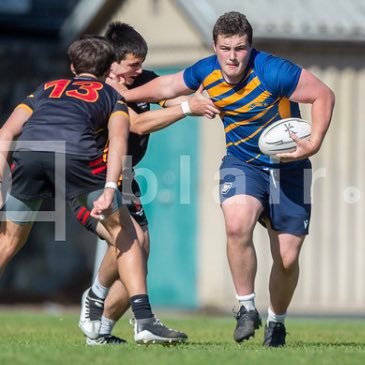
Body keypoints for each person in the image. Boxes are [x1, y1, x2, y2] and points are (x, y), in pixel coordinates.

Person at [120, 12, 335, 347]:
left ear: (250, 46)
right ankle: (246, 308)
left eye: (240, 48)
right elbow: (166, 85)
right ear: (215, 47)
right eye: (226, 48)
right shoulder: (206, 70)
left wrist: (316, 140)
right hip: (242, 163)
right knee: (237, 223)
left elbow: (323, 94)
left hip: (289, 167)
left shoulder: (273, 70)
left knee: (288, 257)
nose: (233, 56)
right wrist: (119, 94)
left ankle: (276, 324)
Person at [0, 35, 188, 345]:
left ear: (73, 66)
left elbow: (6, 131)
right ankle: (143, 320)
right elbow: (118, 141)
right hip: (77, 159)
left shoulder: (45, 89)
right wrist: (110, 188)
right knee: (129, 236)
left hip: (31, 154)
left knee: (7, 241)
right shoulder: (110, 95)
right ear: (107, 68)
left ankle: (106, 317)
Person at [74, 23, 219, 345]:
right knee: (129, 241)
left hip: (126, 178)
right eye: (132, 65)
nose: (137, 72)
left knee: (138, 254)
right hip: (90, 179)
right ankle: (97, 299)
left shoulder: (142, 80)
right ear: (110, 62)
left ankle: (101, 331)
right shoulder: (100, 89)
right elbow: (136, 124)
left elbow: (169, 98)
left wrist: (197, 100)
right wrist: (186, 108)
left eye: (141, 65)